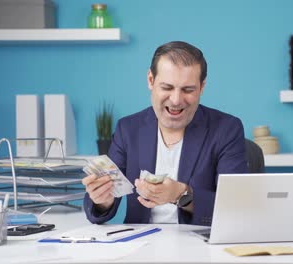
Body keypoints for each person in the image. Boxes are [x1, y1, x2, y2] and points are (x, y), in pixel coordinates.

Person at [82, 41, 248, 226]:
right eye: (167, 88)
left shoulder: (226, 129)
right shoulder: (128, 129)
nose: (176, 100)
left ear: (202, 87)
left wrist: (180, 194)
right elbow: (98, 209)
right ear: (151, 80)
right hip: (141, 245)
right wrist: (103, 200)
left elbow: (234, 208)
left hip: (200, 245)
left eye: (188, 89)